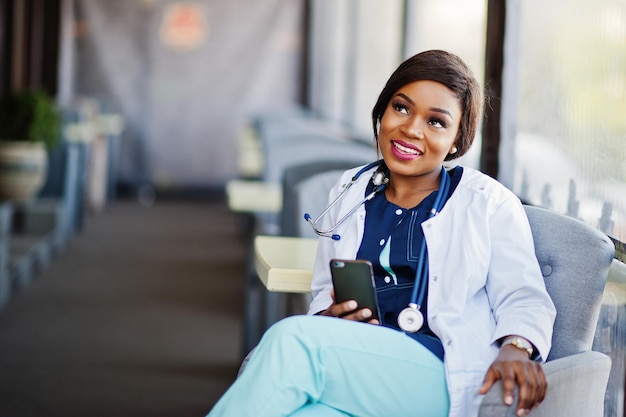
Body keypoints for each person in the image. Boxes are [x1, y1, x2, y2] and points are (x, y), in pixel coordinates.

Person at [208, 49, 556, 417]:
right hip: (361, 365)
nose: (410, 128)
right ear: (382, 112)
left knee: (292, 340)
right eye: (401, 108)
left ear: (457, 140)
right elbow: (324, 289)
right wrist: (329, 316)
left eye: (436, 122)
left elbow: (525, 297)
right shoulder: (351, 189)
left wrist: (516, 348)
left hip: (437, 373)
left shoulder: (487, 202)